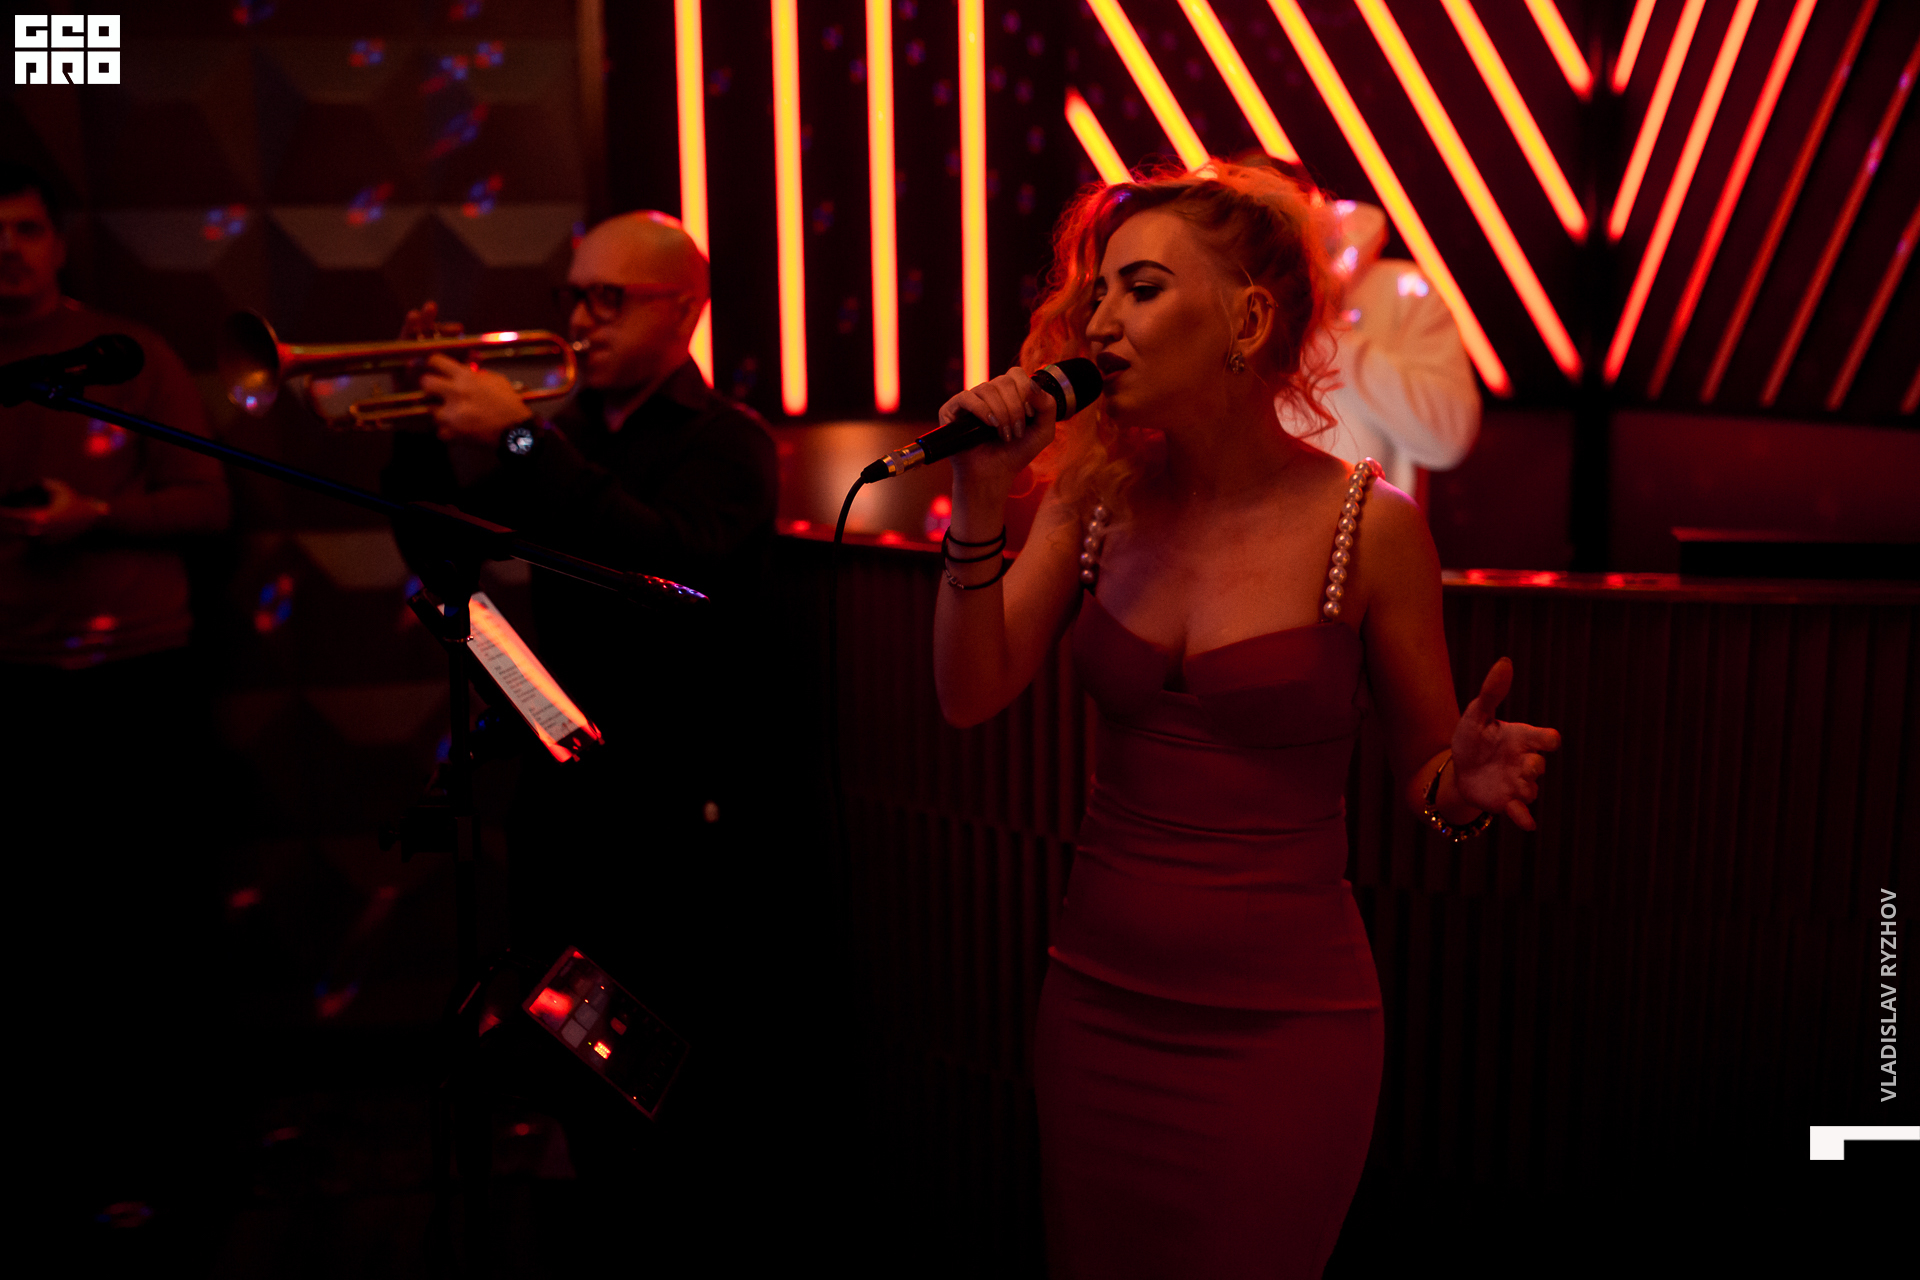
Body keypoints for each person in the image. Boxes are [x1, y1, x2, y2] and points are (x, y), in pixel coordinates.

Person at [931, 161, 1559, 1278]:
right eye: (1097, 293)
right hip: (1094, 1005)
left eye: (1141, 289)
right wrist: (981, 498)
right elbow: (968, 692)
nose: (1100, 321)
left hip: (1284, 1027)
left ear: (1248, 319)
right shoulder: (1093, 497)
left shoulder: (1371, 525)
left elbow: (1425, 775)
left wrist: (1456, 784)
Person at [380, 210, 778, 1237]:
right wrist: (421, 429)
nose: (580, 321)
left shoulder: (727, 441)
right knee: (576, 1050)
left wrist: (521, 437)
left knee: (666, 1075)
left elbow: (668, 561)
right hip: (565, 801)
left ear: (682, 312)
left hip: (670, 813)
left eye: (609, 299)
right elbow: (442, 555)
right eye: (573, 297)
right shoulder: (569, 440)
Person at [0, 161, 231, 1241]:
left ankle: (164, 1164)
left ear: (57, 242)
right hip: (16, 686)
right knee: (39, 944)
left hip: (135, 682)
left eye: (24, 228)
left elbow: (207, 501)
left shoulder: (126, 354)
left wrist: (94, 517)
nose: (7, 250)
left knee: (147, 931)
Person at [1316, 198, 1480, 498]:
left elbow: (1449, 436)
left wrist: (1326, 340)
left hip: (1366, 524)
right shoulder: (1233, 308)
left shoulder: (1404, 289)